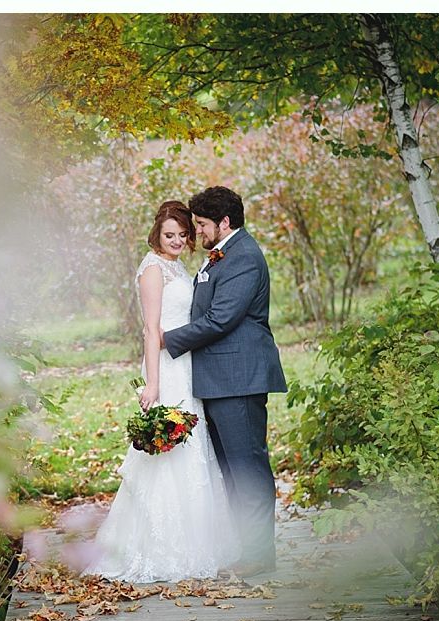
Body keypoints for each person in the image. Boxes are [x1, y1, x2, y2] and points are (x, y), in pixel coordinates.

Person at [82, 200, 240, 583]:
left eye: (183, 235)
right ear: (157, 233)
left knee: (194, 447)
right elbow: (151, 330)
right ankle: (157, 548)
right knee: (169, 451)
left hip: (188, 366)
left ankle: (200, 543)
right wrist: (152, 383)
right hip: (166, 368)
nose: (176, 240)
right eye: (169, 234)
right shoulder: (152, 269)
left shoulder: (179, 267)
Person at [162, 186, 287, 578]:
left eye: (201, 225)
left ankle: (260, 554)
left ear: (224, 223)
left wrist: (168, 340)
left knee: (247, 467)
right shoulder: (223, 255)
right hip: (219, 380)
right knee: (232, 470)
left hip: (239, 379)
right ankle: (247, 548)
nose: (197, 233)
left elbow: (221, 318)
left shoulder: (244, 257)